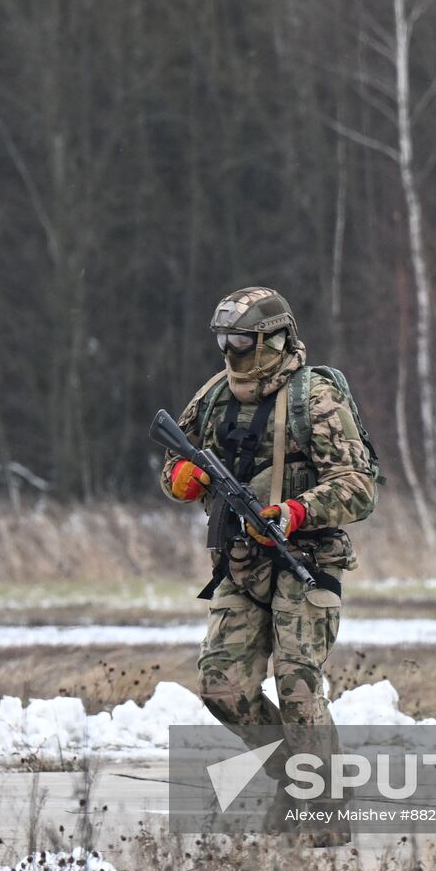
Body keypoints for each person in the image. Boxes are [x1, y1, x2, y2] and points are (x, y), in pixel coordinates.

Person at [159, 286, 379, 842]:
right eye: (224, 339)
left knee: (298, 686)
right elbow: (174, 461)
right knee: (221, 686)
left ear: (274, 338)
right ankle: (299, 777)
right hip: (238, 565)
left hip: (304, 560)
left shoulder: (315, 399)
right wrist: (181, 480)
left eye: (242, 339)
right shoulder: (212, 397)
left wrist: (298, 511)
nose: (230, 349)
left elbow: (359, 487)